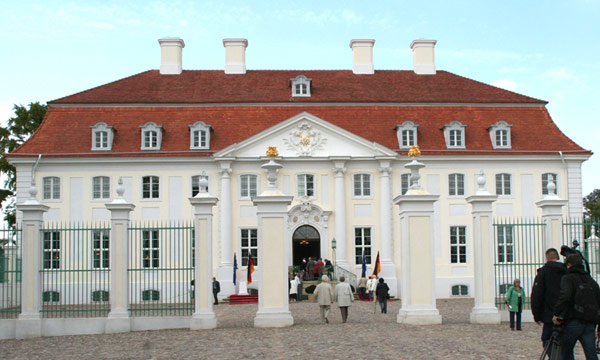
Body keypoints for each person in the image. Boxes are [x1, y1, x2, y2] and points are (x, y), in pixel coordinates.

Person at [553, 254, 600, 360]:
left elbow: (565, 297)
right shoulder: (591, 281)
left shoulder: (568, 278)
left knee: (566, 352)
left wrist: (557, 313)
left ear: (569, 265)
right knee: (591, 354)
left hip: (573, 321)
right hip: (589, 322)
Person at [531, 248, 567, 353]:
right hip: (566, 313)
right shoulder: (566, 271)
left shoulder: (544, 272)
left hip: (549, 314)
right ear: (558, 257)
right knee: (565, 342)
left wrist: (536, 315)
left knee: (546, 339)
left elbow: (537, 295)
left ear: (547, 258)